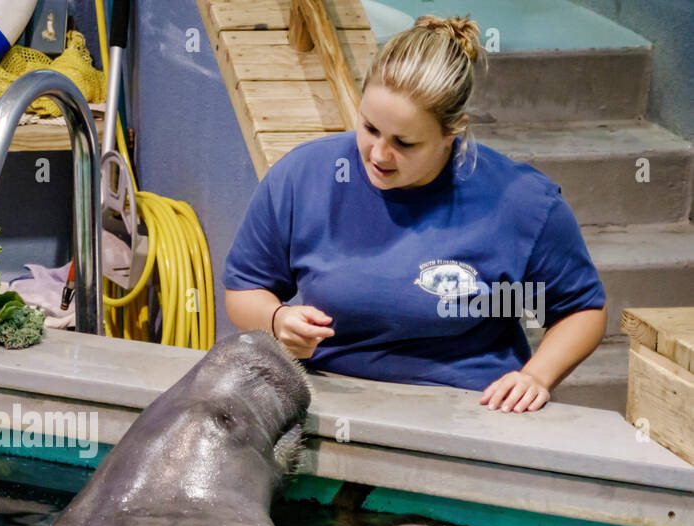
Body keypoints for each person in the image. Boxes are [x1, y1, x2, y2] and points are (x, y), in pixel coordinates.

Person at [222, 15, 607, 413]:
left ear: (451, 133)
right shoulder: (303, 176)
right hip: (331, 403)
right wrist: (276, 319)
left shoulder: (522, 202)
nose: (378, 154)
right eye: (370, 128)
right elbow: (244, 287)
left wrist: (536, 376)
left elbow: (583, 310)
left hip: (470, 410)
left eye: (404, 143)